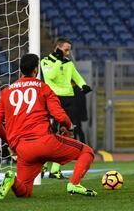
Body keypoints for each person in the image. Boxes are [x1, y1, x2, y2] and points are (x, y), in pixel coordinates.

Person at [0, 53, 97, 200]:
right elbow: (59, 115)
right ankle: (74, 184)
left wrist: (10, 143)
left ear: (21, 69)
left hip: (23, 148)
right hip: (45, 142)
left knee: (25, 192)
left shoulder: (6, 91)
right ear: (36, 69)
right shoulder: (43, 87)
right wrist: (69, 126)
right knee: (87, 152)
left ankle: (12, 179)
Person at [40, 37, 92, 179]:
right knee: (51, 133)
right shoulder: (45, 61)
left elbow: (76, 76)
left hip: (69, 99)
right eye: (66, 50)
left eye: (69, 50)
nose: (68, 53)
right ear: (57, 48)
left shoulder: (68, 63)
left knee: (67, 132)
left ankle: (55, 170)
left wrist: (83, 85)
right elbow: (50, 76)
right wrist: (57, 60)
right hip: (54, 99)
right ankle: (42, 164)